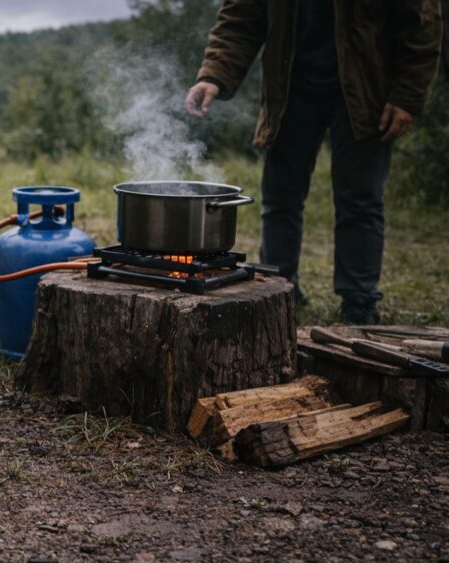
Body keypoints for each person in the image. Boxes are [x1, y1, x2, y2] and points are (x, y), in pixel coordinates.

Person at [185, 1, 443, 325]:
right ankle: (278, 288)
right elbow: (240, 17)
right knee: (280, 198)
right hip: (290, 86)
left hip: (366, 89)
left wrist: (407, 95)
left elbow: (422, 23)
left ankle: (359, 302)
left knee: (360, 199)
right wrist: (214, 75)